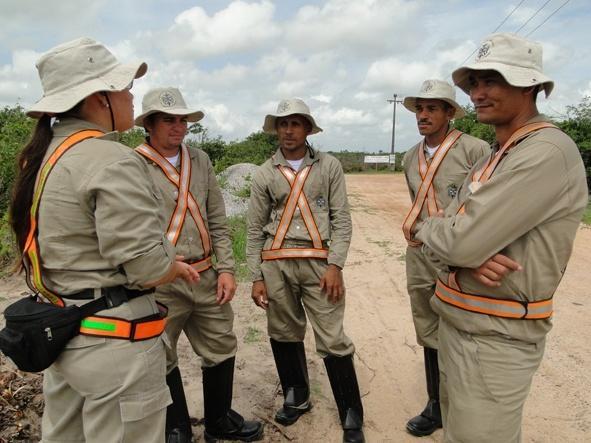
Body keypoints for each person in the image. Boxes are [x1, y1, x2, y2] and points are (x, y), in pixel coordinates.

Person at [10, 38, 200, 443]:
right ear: (99, 98)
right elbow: (146, 265)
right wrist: (170, 262)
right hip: (114, 348)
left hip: (66, 335)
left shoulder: (42, 156)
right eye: (125, 88)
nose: (131, 97)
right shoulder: (110, 159)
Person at [415, 33, 588, 442]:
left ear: (529, 85)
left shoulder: (545, 151)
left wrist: (445, 236)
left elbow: (454, 237)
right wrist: (453, 244)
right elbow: (448, 241)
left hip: (495, 337)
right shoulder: (498, 153)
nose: (478, 92)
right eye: (473, 82)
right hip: (461, 325)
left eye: (492, 79)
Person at [134, 87, 264, 443]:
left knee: (221, 344)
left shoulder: (201, 160)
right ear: (149, 124)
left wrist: (226, 269)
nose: (178, 127)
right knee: (160, 352)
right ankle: (176, 427)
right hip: (161, 281)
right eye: (168, 119)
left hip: (206, 274)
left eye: (182, 120)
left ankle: (219, 420)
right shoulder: (133, 165)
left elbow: (218, 220)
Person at [246, 98, 365, 443]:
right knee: (283, 331)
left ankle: (351, 412)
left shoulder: (329, 167)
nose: (288, 130)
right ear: (276, 130)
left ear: (308, 129)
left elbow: (342, 219)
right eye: (282, 124)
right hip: (276, 264)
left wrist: (336, 265)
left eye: (295, 123)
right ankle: (296, 396)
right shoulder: (265, 172)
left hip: (319, 265)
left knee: (332, 337)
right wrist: (255, 276)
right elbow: (254, 229)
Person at [401, 79, 489, 437]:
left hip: (460, 256)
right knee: (428, 327)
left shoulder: (475, 150)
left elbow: (486, 207)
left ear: (450, 113)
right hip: (421, 253)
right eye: (420, 108)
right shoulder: (410, 157)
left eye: (432, 108)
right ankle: (436, 404)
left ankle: (470, 404)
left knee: (468, 326)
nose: (423, 115)